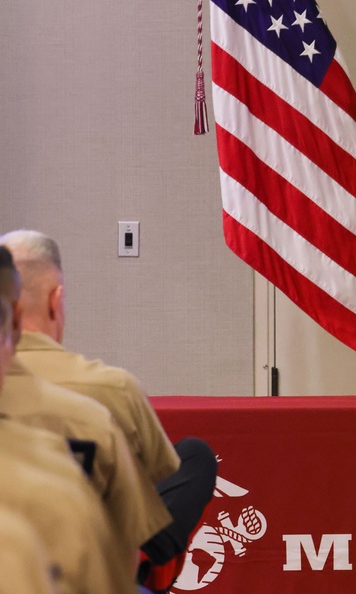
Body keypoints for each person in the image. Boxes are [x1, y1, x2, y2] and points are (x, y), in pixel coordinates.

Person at [0, 230, 217, 569]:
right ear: (56, 301)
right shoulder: (113, 390)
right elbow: (147, 500)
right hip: (91, 581)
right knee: (195, 457)